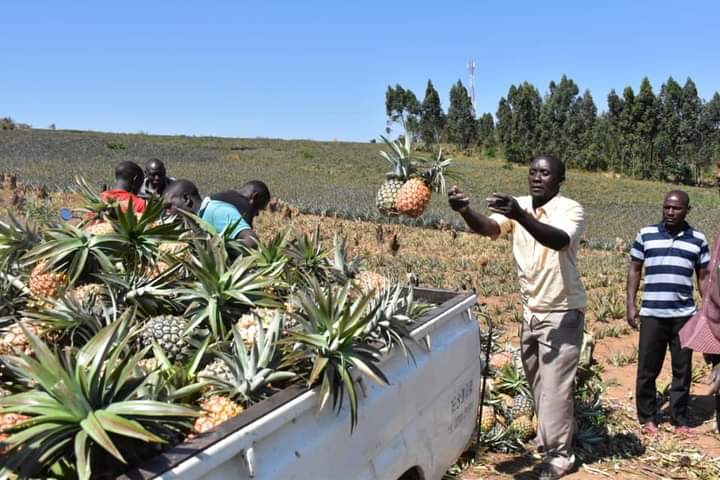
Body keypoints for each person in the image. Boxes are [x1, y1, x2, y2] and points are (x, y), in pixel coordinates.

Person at [448, 154, 586, 479]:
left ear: (560, 179)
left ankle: (561, 456)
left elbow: (559, 240)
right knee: (538, 381)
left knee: (555, 388)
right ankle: (551, 436)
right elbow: (490, 228)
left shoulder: (571, 209)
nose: (538, 178)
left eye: (546, 173)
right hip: (532, 311)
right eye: (533, 172)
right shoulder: (519, 205)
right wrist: (465, 211)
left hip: (563, 311)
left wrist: (521, 216)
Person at [627, 190, 709, 437]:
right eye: (667, 207)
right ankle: (647, 416)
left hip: (684, 316)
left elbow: (703, 277)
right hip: (652, 313)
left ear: (687, 210)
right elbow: (634, 270)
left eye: (676, 208)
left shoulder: (697, 239)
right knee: (647, 368)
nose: (670, 212)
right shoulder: (646, 234)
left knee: (682, 370)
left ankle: (679, 418)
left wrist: (707, 311)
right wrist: (631, 304)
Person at [162, 179, 260, 248]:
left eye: (169, 206)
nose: (167, 212)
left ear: (186, 199)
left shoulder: (216, 211)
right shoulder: (192, 222)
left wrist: (221, 251)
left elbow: (252, 240)